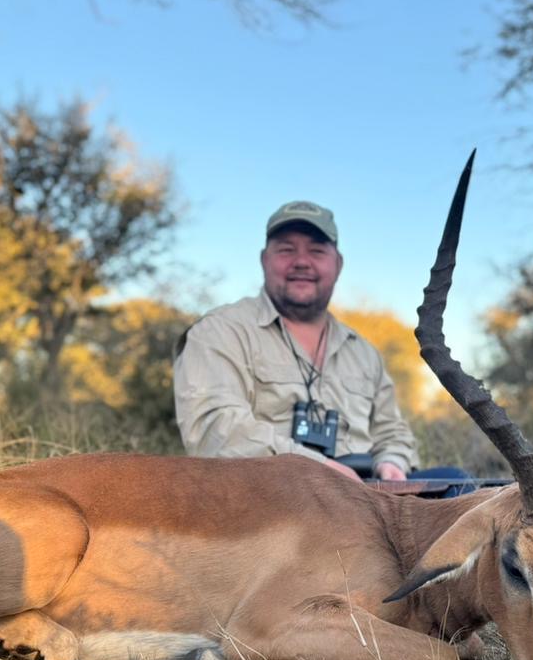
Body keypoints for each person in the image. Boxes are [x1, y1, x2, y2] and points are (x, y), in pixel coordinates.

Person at [173, 200, 419, 482]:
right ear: (264, 260)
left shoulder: (364, 352)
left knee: (458, 483)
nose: (302, 262)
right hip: (267, 496)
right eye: (286, 250)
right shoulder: (218, 332)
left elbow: (393, 432)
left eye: (316, 251)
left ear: (338, 265)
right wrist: (318, 469)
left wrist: (392, 463)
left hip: (364, 495)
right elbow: (215, 431)